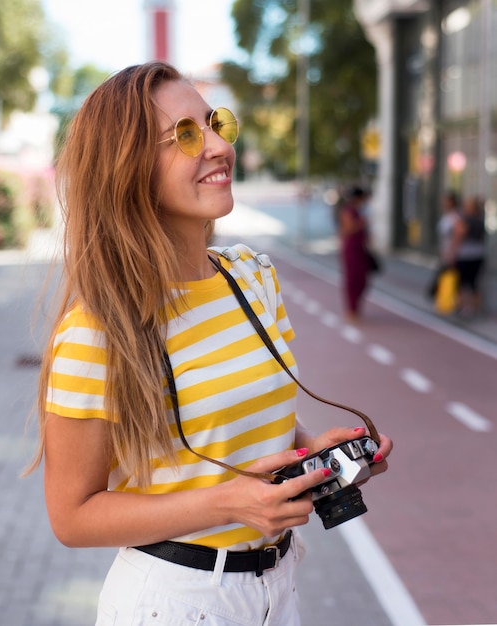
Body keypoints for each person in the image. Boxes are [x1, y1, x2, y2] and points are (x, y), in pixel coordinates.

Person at [26, 61, 392, 625]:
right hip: (175, 600)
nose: (219, 146)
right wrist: (227, 503)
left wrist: (315, 457)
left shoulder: (252, 279)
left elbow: (238, 418)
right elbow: (71, 516)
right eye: (188, 136)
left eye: (216, 123)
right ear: (128, 170)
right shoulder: (97, 329)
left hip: (278, 588)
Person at [337, 186, 372, 322]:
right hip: (351, 248)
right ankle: (351, 310)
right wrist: (362, 223)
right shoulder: (349, 210)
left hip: (360, 247)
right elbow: (348, 228)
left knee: (362, 278)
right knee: (352, 279)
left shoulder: (359, 210)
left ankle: (356, 307)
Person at [452, 194, 487, 316]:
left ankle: (462, 307)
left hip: (465, 254)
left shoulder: (464, 219)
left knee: (462, 283)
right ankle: (475, 308)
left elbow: (459, 235)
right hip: (479, 254)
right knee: (474, 283)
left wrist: (452, 252)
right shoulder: (480, 219)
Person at [427, 189, 461, 301]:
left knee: (452, 277)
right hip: (445, 252)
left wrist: (451, 252)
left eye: (446, 200)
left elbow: (458, 234)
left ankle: (454, 302)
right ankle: (446, 300)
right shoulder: (446, 216)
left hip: (452, 254)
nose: (443, 203)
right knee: (445, 276)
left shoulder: (454, 217)